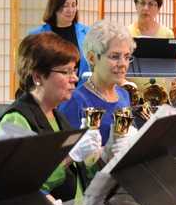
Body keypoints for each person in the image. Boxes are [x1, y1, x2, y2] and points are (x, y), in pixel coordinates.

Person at [0, 32, 102, 203]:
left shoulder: (58, 116)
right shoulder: (15, 121)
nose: (74, 78)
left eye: (74, 71)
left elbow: (79, 177)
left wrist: (94, 156)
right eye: (66, 72)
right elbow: (18, 188)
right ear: (38, 76)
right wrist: (69, 157)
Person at [59, 19, 137, 149]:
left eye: (127, 57)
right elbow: (65, 158)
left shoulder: (123, 95)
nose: (123, 63)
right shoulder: (75, 101)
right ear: (92, 58)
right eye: (115, 56)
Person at [30, 0, 90, 86]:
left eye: (73, 5)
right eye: (65, 5)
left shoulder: (88, 33)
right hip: (49, 94)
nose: (70, 10)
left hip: (80, 94)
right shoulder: (37, 35)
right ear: (55, 7)